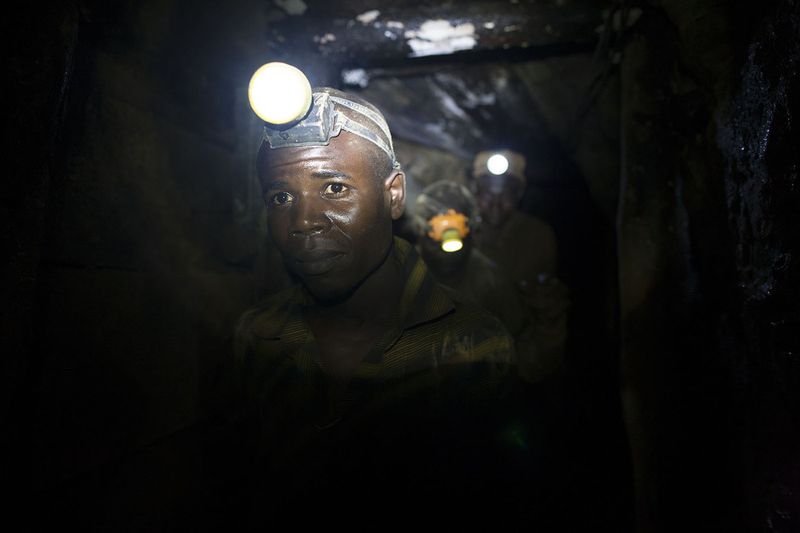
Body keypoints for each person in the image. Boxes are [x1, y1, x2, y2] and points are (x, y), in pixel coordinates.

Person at [225, 87, 519, 526]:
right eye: (280, 197)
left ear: (394, 194)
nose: (302, 221)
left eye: (334, 187)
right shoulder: (257, 335)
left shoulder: (470, 347)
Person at [472, 150, 570, 382]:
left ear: (519, 194)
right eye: (488, 193)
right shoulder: (458, 234)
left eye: (505, 193)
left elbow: (547, 309)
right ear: (475, 192)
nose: (496, 203)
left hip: (519, 357)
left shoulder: (538, 235)